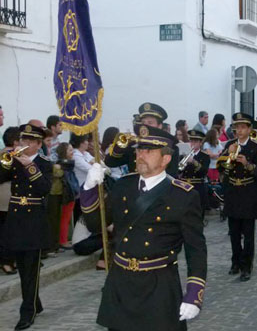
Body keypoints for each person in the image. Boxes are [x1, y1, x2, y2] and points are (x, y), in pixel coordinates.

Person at [80, 123, 207, 331]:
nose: (141, 155)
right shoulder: (123, 185)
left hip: (158, 285)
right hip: (121, 282)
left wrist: (194, 294)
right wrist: (89, 188)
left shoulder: (183, 196)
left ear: (166, 159)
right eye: (139, 150)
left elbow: (196, 249)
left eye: (148, 151)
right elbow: (96, 225)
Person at [0, 123, 53, 330]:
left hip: (34, 220)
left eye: (30, 141)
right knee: (22, 266)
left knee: (32, 267)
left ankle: (27, 311)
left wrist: (29, 166)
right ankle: (34, 302)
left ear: (39, 145)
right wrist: (5, 162)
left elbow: (45, 189)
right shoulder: (12, 161)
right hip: (15, 218)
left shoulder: (44, 163)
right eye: (23, 140)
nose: (25, 144)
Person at [216, 113, 257, 282]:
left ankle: (246, 266)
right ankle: (235, 261)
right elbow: (221, 166)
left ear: (249, 129)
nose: (240, 130)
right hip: (233, 193)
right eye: (237, 127)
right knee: (234, 233)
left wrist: (247, 164)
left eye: (243, 127)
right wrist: (227, 158)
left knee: (248, 233)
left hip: (248, 192)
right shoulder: (229, 144)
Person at [105, 102, 179, 177]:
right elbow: (110, 162)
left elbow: (171, 175)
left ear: (159, 126)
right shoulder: (134, 144)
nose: (145, 125)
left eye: (150, 122)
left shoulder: (170, 147)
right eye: (143, 122)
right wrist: (120, 147)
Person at [0, 127, 20, 275]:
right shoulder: (8, 155)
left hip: (8, 197)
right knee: (8, 232)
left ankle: (9, 260)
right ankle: (6, 262)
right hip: (6, 197)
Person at [178, 130, 210, 214]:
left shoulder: (205, 156)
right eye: (191, 141)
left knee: (198, 212)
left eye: (195, 141)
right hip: (185, 187)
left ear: (200, 143)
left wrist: (194, 162)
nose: (193, 144)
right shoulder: (183, 155)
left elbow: (204, 171)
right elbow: (178, 170)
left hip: (198, 187)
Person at [56, 143, 80, 249]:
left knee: (66, 218)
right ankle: (63, 241)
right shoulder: (66, 165)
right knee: (65, 218)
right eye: (70, 150)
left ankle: (64, 239)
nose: (72, 152)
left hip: (69, 193)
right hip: (68, 194)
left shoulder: (65, 165)